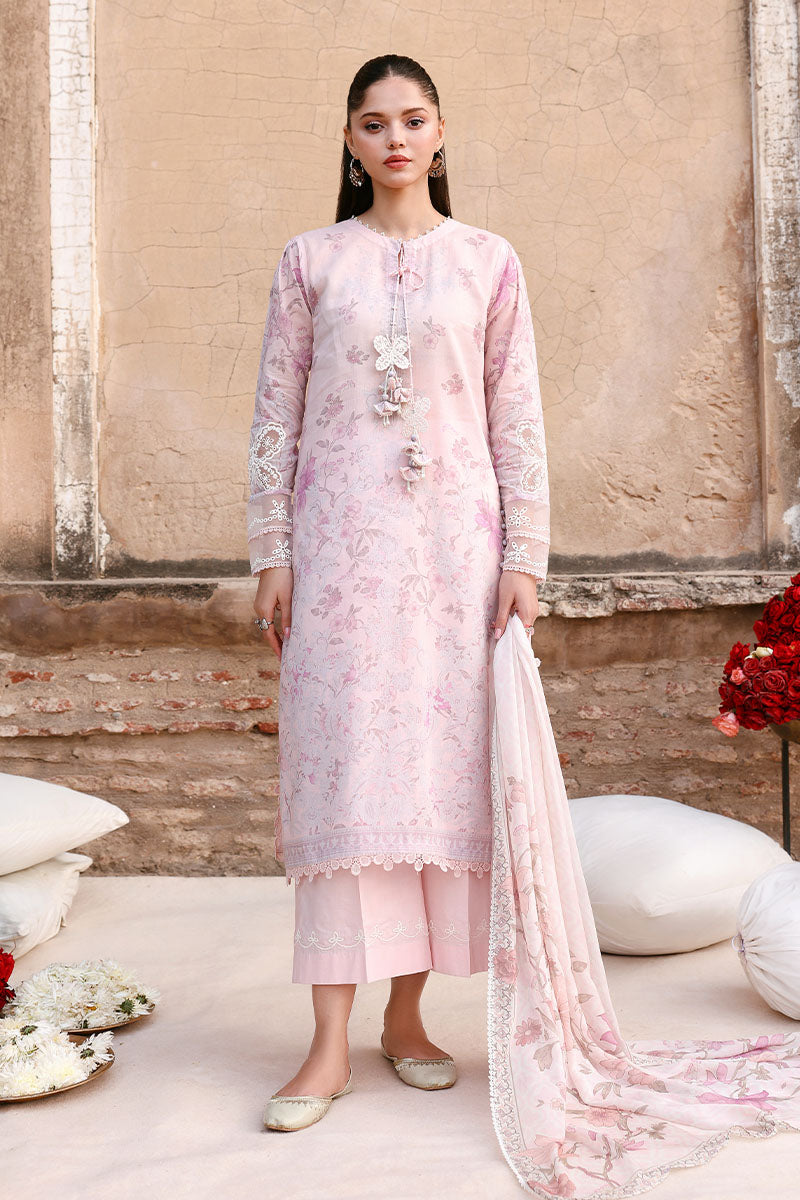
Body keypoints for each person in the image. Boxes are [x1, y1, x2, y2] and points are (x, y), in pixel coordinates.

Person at [246, 53, 549, 1132]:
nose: (395, 139)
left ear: (440, 132)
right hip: (338, 559)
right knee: (344, 785)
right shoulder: (311, 261)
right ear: (349, 142)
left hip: (454, 562)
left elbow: (516, 415)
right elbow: (274, 413)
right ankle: (326, 1044)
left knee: (431, 786)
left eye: (413, 120)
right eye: (373, 124)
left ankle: (407, 1019)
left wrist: (524, 557)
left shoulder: (487, 262)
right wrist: (272, 551)